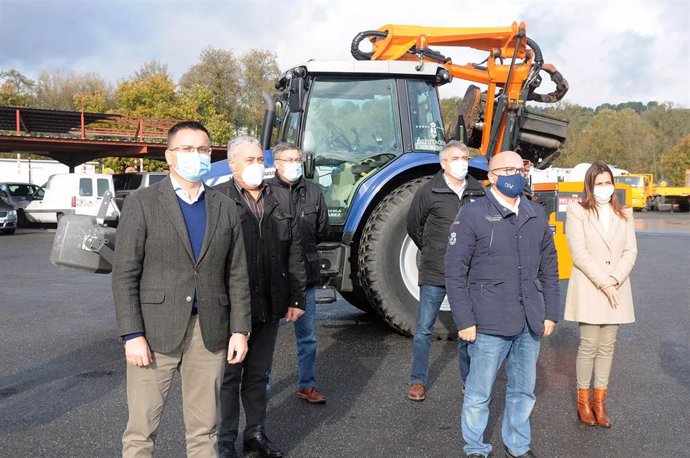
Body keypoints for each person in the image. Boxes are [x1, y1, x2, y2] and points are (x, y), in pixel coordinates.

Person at [112, 121, 251, 457]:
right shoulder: (142, 203)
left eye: (203, 150)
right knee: (141, 432)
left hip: (210, 333)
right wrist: (132, 335)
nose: (196, 156)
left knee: (205, 432)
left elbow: (237, 275)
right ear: (169, 156)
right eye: (187, 149)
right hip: (154, 334)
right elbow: (124, 274)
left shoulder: (225, 207)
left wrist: (240, 330)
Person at [445, 150, 561, 458]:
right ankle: (475, 448)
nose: (515, 174)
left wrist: (551, 313)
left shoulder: (536, 214)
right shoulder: (473, 214)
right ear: (492, 176)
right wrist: (465, 321)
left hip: (529, 322)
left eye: (519, 168)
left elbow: (550, 268)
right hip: (487, 323)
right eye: (507, 169)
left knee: (523, 391)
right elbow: (455, 272)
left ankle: (518, 445)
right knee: (479, 393)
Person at [215, 136, 306, 458]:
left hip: (270, 303)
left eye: (259, 160)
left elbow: (293, 252)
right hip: (232, 307)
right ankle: (225, 441)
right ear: (232, 165)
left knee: (258, 376)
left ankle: (254, 435)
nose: (258, 166)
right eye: (249, 160)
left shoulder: (280, 199)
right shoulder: (219, 199)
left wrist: (297, 298)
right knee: (228, 376)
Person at [405, 140, 485, 402]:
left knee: (467, 328)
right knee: (424, 328)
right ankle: (418, 381)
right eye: (455, 158)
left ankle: (469, 381)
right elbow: (414, 226)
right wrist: (431, 249)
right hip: (435, 270)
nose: (461, 162)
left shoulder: (478, 191)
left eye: (465, 157)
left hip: (468, 273)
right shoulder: (428, 191)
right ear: (443, 163)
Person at [564, 162, 637, 428]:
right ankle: (583, 402)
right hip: (591, 286)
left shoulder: (625, 213)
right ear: (590, 186)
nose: (605, 188)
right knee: (589, 345)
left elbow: (630, 251)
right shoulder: (577, 211)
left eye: (608, 183)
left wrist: (615, 278)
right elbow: (579, 253)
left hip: (617, 287)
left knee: (607, 347)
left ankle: (600, 403)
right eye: (599, 184)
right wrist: (604, 282)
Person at [270, 142, 331, 404]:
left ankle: (307, 385)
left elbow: (322, 231)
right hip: (274, 279)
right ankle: (262, 390)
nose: (296, 164)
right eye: (289, 159)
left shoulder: (314, 192)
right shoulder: (266, 192)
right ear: (276, 163)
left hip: (304, 277)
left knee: (308, 337)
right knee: (267, 341)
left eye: (298, 159)